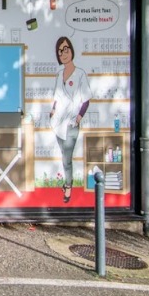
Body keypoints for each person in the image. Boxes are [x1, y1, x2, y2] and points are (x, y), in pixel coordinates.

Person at [50, 36, 90, 204]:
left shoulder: (80, 74)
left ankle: (68, 187)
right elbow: (56, 97)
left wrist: (79, 117)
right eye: (60, 51)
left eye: (66, 49)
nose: (63, 53)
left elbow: (86, 99)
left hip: (71, 123)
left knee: (67, 157)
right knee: (63, 156)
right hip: (58, 122)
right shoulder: (59, 75)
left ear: (71, 50)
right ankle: (68, 182)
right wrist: (52, 111)